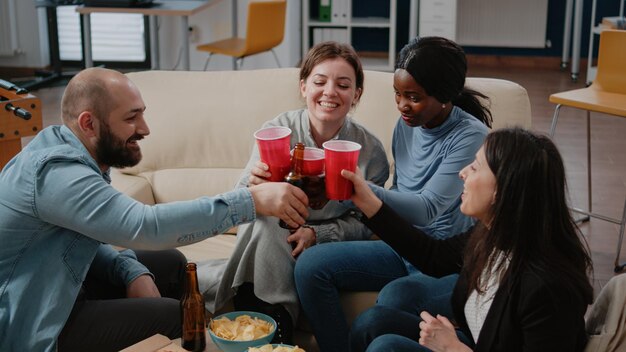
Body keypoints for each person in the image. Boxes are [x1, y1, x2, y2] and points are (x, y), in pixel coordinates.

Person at [0, 67, 309, 352]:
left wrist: (131, 271)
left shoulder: (74, 154)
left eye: (143, 114)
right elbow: (145, 226)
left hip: (64, 285)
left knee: (171, 264)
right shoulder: (55, 173)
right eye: (131, 117)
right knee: (174, 315)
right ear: (88, 123)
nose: (145, 128)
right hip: (38, 321)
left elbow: (82, 240)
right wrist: (251, 201)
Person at [294, 36, 492, 351]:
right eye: (398, 94)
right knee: (310, 266)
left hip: (444, 261)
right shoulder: (406, 125)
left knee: (394, 299)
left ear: (444, 96)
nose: (402, 105)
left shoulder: (471, 137)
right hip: (402, 247)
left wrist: (359, 190)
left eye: (413, 97)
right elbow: (400, 191)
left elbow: (427, 209)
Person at [199, 41, 390, 344]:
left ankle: (262, 329)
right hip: (271, 233)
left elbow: (368, 223)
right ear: (303, 87)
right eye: (319, 81)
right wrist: (255, 187)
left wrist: (318, 234)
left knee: (268, 231)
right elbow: (237, 201)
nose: (330, 92)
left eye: (343, 85)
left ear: (357, 95)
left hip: (321, 247)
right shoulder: (278, 130)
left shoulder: (370, 152)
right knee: (267, 224)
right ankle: (276, 326)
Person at [345, 127, 594, 351]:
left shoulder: (547, 288)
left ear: (501, 191)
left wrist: (452, 348)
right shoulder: (495, 235)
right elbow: (433, 256)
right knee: (372, 322)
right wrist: (366, 200)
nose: (463, 173)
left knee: (386, 348)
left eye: (475, 167)